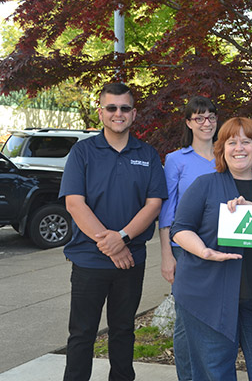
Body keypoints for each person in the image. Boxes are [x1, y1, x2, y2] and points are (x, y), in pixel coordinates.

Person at [170, 117, 252, 380]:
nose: (239, 148)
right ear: (222, 149)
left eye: (246, 141)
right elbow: (180, 229)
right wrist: (205, 251)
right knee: (213, 372)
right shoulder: (205, 185)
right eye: (231, 142)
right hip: (207, 295)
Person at [59, 82, 167, 381]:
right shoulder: (82, 152)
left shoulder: (147, 154)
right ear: (101, 112)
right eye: (111, 108)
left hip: (130, 261)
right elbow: (75, 204)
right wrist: (111, 244)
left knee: (123, 331)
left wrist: (122, 239)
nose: (118, 113)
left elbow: (153, 204)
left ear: (134, 114)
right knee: (82, 334)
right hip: (88, 261)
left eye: (124, 108)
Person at [158, 96, 218, 381]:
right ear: (188, 123)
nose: (206, 123)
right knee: (186, 319)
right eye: (199, 118)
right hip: (183, 248)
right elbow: (167, 209)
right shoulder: (175, 160)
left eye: (211, 117)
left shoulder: (227, 154)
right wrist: (166, 254)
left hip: (220, 246)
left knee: (216, 317)